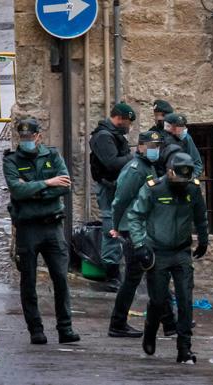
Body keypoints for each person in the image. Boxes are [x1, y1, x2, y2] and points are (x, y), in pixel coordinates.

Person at [3, 118, 80, 344]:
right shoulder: (11, 160)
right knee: (28, 281)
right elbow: (17, 191)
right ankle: (35, 329)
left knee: (60, 279)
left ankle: (65, 329)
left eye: (30, 137)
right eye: (23, 138)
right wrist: (48, 184)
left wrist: (33, 190)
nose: (27, 141)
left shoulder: (52, 156)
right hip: (28, 228)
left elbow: (65, 185)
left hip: (52, 226)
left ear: (39, 136)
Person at [129, 153, 209, 364]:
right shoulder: (154, 188)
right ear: (169, 171)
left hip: (182, 251)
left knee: (185, 300)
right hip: (158, 251)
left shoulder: (192, 188)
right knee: (158, 300)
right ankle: (150, 331)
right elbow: (136, 216)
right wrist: (139, 244)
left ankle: (184, 348)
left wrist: (203, 240)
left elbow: (201, 215)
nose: (182, 183)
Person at [107, 131, 178, 338]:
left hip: (144, 230)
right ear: (140, 147)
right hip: (134, 231)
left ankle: (168, 322)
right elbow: (120, 199)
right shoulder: (136, 170)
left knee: (147, 276)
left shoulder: (148, 167)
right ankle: (167, 322)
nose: (154, 149)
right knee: (144, 276)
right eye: (150, 146)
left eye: (156, 146)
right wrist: (117, 226)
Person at [90, 102, 135, 292]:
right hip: (109, 189)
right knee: (111, 228)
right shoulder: (103, 136)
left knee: (122, 227)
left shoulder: (112, 134)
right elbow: (112, 163)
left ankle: (119, 272)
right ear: (120, 119)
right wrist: (134, 157)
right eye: (129, 122)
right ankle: (111, 275)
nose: (129, 127)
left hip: (117, 187)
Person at [161, 113, 203, 178]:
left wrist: (191, 178)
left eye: (183, 126)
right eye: (178, 126)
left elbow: (197, 164)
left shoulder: (186, 138)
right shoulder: (161, 139)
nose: (182, 129)